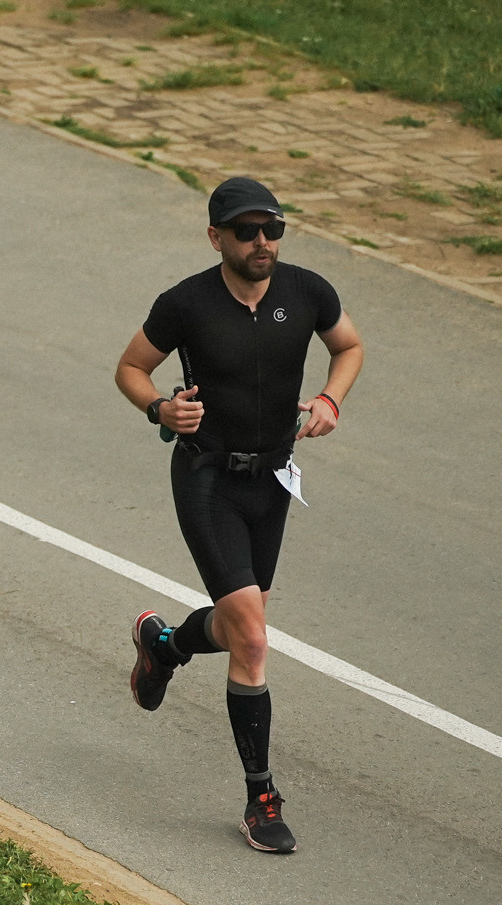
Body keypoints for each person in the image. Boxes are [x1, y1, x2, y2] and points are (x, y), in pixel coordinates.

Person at [113, 175, 364, 854]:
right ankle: (261, 797)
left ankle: (163, 647)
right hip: (207, 478)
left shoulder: (307, 293)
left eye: (273, 229)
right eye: (248, 231)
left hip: (273, 481)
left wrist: (331, 400)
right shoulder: (186, 303)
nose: (263, 243)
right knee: (252, 638)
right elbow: (131, 368)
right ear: (216, 236)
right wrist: (160, 409)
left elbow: (349, 346)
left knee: (235, 624)